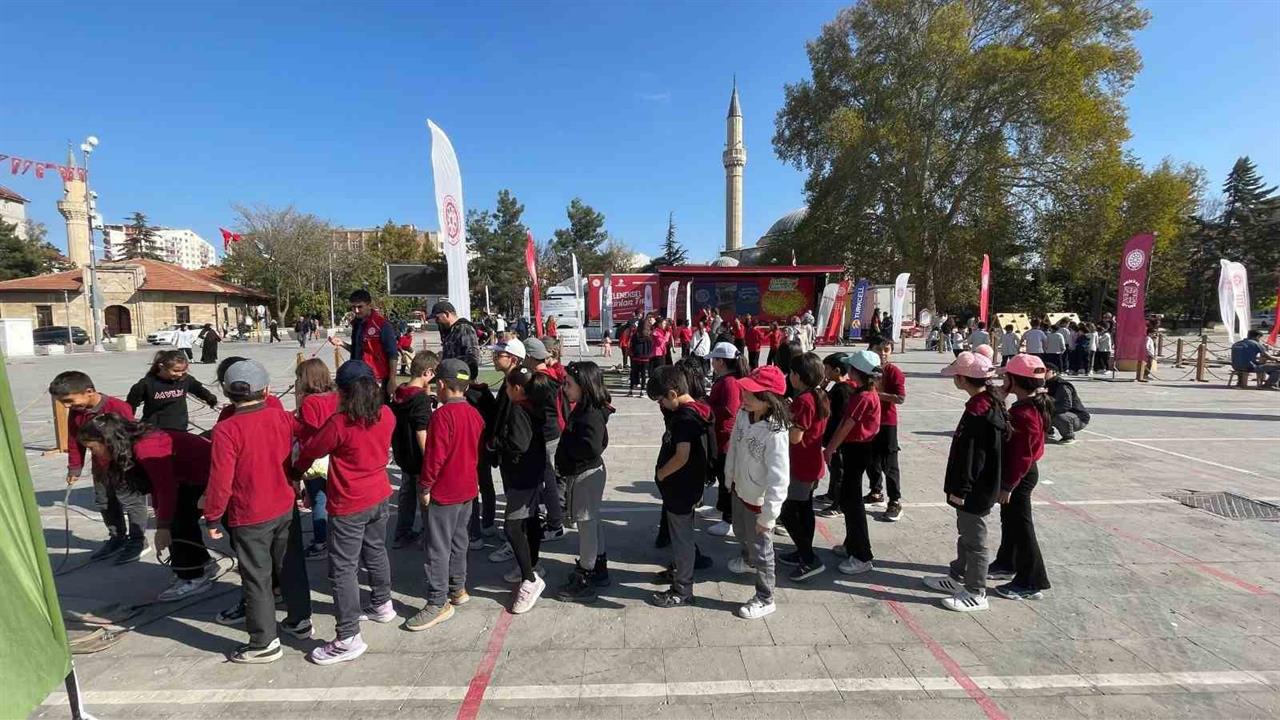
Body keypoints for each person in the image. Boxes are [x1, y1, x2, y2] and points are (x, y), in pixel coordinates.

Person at [205, 359, 313, 663]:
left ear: (227, 393)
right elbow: (304, 437)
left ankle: (264, 642)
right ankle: (300, 619)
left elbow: (220, 478)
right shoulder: (280, 417)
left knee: (256, 578)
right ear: (267, 390)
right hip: (283, 505)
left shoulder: (226, 429)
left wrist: (213, 515)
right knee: (291, 566)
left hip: (249, 514)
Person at [292, 360, 396, 664]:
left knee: (343, 568)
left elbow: (312, 449)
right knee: (375, 550)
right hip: (379, 493)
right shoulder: (386, 414)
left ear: (343, 391)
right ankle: (382, 603)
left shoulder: (340, 423)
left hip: (351, 501)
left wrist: (295, 471)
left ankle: (348, 636)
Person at [76, 414, 216, 601]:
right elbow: (159, 488)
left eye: (93, 448)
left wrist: (163, 527)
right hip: (184, 477)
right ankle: (201, 563)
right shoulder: (129, 445)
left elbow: (165, 489)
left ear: (107, 440)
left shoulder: (146, 447)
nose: (93, 453)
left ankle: (193, 577)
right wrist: (161, 520)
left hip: (206, 473)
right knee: (178, 520)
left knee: (178, 523)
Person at [405, 359, 485, 631]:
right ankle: (458, 588)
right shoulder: (474, 414)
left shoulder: (441, 417)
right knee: (459, 541)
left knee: (437, 548)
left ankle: (437, 602)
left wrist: (425, 486)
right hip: (467, 489)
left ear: (441, 385)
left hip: (445, 491)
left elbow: (434, 458)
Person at [923, 351, 1006, 613]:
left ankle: (976, 591)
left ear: (962, 378)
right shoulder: (984, 402)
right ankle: (957, 575)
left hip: (975, 487)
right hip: (974, 484)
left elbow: (973, 456)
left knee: (975, 539)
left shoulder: (980, 410)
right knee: (966, 532)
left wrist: (962, 488)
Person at [50, 371, 149, 562]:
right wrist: (74, 467)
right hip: (100, 468)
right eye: (63, 403)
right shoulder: (77, 412)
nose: (67, 406)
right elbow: (74, 439)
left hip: (124, 466)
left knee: (131, 502)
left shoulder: (118, 407)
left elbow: (130, 438)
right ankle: (117, 537)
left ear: (89, 391)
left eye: (69, 401)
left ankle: (138, 540)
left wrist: (130, 468)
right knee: (105, 502)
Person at [723, 365, 791, 620]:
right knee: (741, 531)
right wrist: (729, 477)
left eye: (751, 394)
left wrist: (769, 516)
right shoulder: (744, 414)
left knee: (763, 548)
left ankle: (765, 597)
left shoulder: (776, 432)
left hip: (759, 501)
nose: (744, 397)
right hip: (740, 489)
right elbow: (734, 447)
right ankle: (746, 557)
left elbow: (779, 478)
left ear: (768, 399)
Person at [647, 365, 713, 608]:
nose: (661, 406)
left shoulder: (685, 418)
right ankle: (680, 572)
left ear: (673, 394)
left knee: (682, 537)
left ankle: (683, 589)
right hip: (687, 486)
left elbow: (682, 455)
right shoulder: (697, 408)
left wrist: (662, 473)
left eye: (661, 400)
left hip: (681, 487)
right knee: (680, 535)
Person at [989, 354, 1052, 601]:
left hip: (1020, 475)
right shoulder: (1030, 405)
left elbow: (1023, 455)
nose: (1003, 379)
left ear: (1015, 380)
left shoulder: (1025, 413)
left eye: (1006, 376)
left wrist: (1008, 485)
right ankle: (1007, 561)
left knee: (1022, 525)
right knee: (1010, 520)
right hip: (1019, 472)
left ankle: (1031, 579)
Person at [554, 361, 614, 602]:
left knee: (586, 525)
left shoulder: (590, 414)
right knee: (592, 521)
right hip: (584, 473)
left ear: (584, 385)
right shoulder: (585, 408)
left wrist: (568, 454)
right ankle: (598, 564)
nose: (565, 387)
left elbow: (592, 446)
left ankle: (586, 572)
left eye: (568, 383)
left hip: (585, 475)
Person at [496, 367, 550, 614]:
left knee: (512, 526)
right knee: (530, 521)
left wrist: (496, 442)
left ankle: (530, 579)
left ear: (516, 388)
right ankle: (532, 564)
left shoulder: (518, 409)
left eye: (507, 387)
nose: (505, 391)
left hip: (522, 475)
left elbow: (517, 443)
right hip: (534, 471)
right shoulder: (534, 404)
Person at [822, 350, 881, 575]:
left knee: (852, 501)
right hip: (858, 448)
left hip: (857, 449)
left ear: (858, 372)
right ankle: (851, 545)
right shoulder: (863, 392)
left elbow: (846, 425)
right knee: (848, 499)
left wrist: (830, 449)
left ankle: (862, 555)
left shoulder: (863, 397)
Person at [779, 354, 829, 582]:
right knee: (804, 510)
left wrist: (784, 420)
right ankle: (803, 551)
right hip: (811, 462)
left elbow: (795, 437)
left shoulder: (804, 401)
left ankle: (809, 558)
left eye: (791, 373)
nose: (790, 377)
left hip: (800, 464)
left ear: (798, 376)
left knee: (789, 512)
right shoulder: (818, 396)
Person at [390, 351, 439, 548]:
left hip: (403, 453)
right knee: (425, 496)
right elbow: (421, 431)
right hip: (418, 456)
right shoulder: (420, 400)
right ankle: (428, 536)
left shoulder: (400, 393)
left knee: (406, 493)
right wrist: (430, 459)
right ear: (427, 372)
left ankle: (402, 532)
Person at [294, 359, 340, 561]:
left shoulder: (309, 402)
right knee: (335, 498)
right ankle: (336, 538)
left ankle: (321, 541)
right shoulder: (337, 396)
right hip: (336, 455)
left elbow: (310, 430)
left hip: (316, 456)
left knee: (319, 499)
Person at [706, 342, 746, 537]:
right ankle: (721, 508)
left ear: (721, 361)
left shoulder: (729, 382)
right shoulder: (724, 379)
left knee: (727, 479)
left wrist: (706, 409)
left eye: (714, 360)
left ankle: (728, 519)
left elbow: (730, 410)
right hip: (721, 436)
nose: (712, 363)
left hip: (727, 438)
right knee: (722, 477)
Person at [330, 290, 399, 401]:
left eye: (360, 307)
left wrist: (392, 379)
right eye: (353, 307)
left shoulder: (382, 325)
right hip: (357, 377)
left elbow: (393, 355)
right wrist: (342, 344)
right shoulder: (356, 324)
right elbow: (357, 351)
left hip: (377, 379)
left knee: (376, 412)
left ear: (369, 305)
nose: (356, 311)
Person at [127, 350, 219, 432]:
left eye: (183, 370)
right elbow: (130, 406)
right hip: (154, 429)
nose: (179, 374)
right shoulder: (146, 384)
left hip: (179, 428)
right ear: (161, 367)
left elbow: (200, 390)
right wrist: (128, 424)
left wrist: (211, 400)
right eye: (175, 370)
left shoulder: (185, 380)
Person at [866, 338, 905, 521]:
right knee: (871, 459)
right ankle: (875, 491)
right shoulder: (866, 369)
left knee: (889, 462)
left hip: (887, 422)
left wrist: (876, 395)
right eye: (878, 349)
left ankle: (895, 501)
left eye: (886, 349)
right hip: (868, 421)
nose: (882, 352)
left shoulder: (893, 371)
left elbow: (900, 398)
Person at [816, 353, 852, 518]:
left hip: (838, 439)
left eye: (827, 369)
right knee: (834, 468)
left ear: (837, 370)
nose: (825, 372)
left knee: (839, 470)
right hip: (832, 436)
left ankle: (839, 504)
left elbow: (837, 414)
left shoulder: (843, 390)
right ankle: (831, 494)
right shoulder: (838, 387)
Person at [428, 300, 481, 379]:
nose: (436, 321)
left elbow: (473, 358)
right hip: (451, 379)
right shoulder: (449, 331)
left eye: (437, 318)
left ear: (446, 314)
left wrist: (463, 379)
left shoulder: (464, 328)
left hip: (461, 381)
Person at [1045, 365, 1090, 443]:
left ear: (1054, 372)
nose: (1043, 373)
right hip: (1064, 413)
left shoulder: (1062, 385)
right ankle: (1048, 432)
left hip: (1078, 417)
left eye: (1046, 371)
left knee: (1058, 416)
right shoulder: (1044, 384)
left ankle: (1069, 436)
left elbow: (1065, 405)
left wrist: (1049, 412)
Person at [628, 321, 655, 397]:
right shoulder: (649, 336)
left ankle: (631, 391)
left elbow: (632, 345)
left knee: (634, 373)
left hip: (636, 357)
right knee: (644, 375)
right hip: (645, 358)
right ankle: (642, 391)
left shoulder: (635, 335)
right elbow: (651, 346)